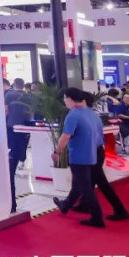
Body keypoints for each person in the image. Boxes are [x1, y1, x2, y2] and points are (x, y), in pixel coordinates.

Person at [52, 88, 106, 228]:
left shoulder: (73, 115)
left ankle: (97, 217)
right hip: (91, 154)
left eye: (65, 98)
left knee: (86, 188)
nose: (64, 101)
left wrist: (57, 152)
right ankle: (65, 205)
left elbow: (65, 136)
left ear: (70, 99)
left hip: (78, 156)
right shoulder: (90, 113)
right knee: (78, 184)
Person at [71, 93, 129, 221]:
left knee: (100, 183)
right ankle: (84, 205)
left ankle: (118, 211)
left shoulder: (84, 116)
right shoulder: (92, 115)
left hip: (92, 152)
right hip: (97, 151)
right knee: (93, 182)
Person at [5, 79, 32, 213]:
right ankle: (21, 160)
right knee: (16, 157)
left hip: (11, 128)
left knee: (10, 167)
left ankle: (11, 204)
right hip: (25, 129)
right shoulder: (28, 96)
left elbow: (5, 111)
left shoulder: (9, 95)